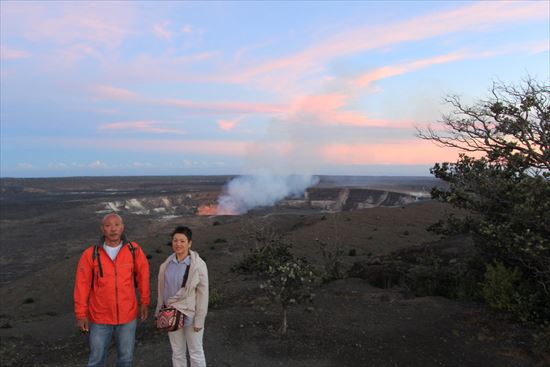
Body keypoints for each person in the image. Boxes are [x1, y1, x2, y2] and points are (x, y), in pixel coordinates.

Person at [74, 213, 150, 367]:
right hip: (100, 317)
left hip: (127, 316)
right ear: (102, 229)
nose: (113, 229)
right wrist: (81, 313)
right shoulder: (91, 254)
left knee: (126, 360)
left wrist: (145, 302)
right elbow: (82, 285)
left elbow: (143, 277)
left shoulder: (134, 250)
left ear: (122, 227)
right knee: (96, 360)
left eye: (116, 225)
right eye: (108, 225)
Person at [155, 226, 209, 367]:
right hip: (171, 314)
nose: (178, 244)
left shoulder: (198, 265)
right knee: (177, 352)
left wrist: (199, 320)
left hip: (190, 315)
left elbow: (203, 294)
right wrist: (159, 311)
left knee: (196, 352)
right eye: (175, 240)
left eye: (182, 241)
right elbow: (162, 290)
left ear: (189, 243)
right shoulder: (167, 264)